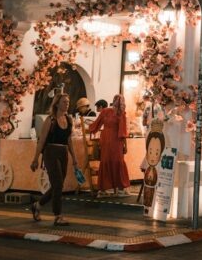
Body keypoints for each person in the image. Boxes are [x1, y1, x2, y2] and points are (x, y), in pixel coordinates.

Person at [30, 94, 79, 226]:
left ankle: (37, 205)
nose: (67, 104)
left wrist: (74, 157)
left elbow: (69, 141)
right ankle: (58, 215)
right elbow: (42, 140)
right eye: (64, 102)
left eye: (68, 102)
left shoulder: (69, 120)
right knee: (57, 184)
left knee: (58, 186)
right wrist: (35, 158)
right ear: (57, 104)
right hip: (50, 152)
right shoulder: (50, 120)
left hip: (63, 152)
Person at [88, 94, 130, 196]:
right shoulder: (121, 113)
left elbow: (96, 125)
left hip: (105, 138)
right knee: (118, 162)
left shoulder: (105, 111)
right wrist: (125, 145)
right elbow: (122, 132)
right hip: (116, 139)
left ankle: (104, 189)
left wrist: (88, 128)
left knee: (105, 161)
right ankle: (120, 189)